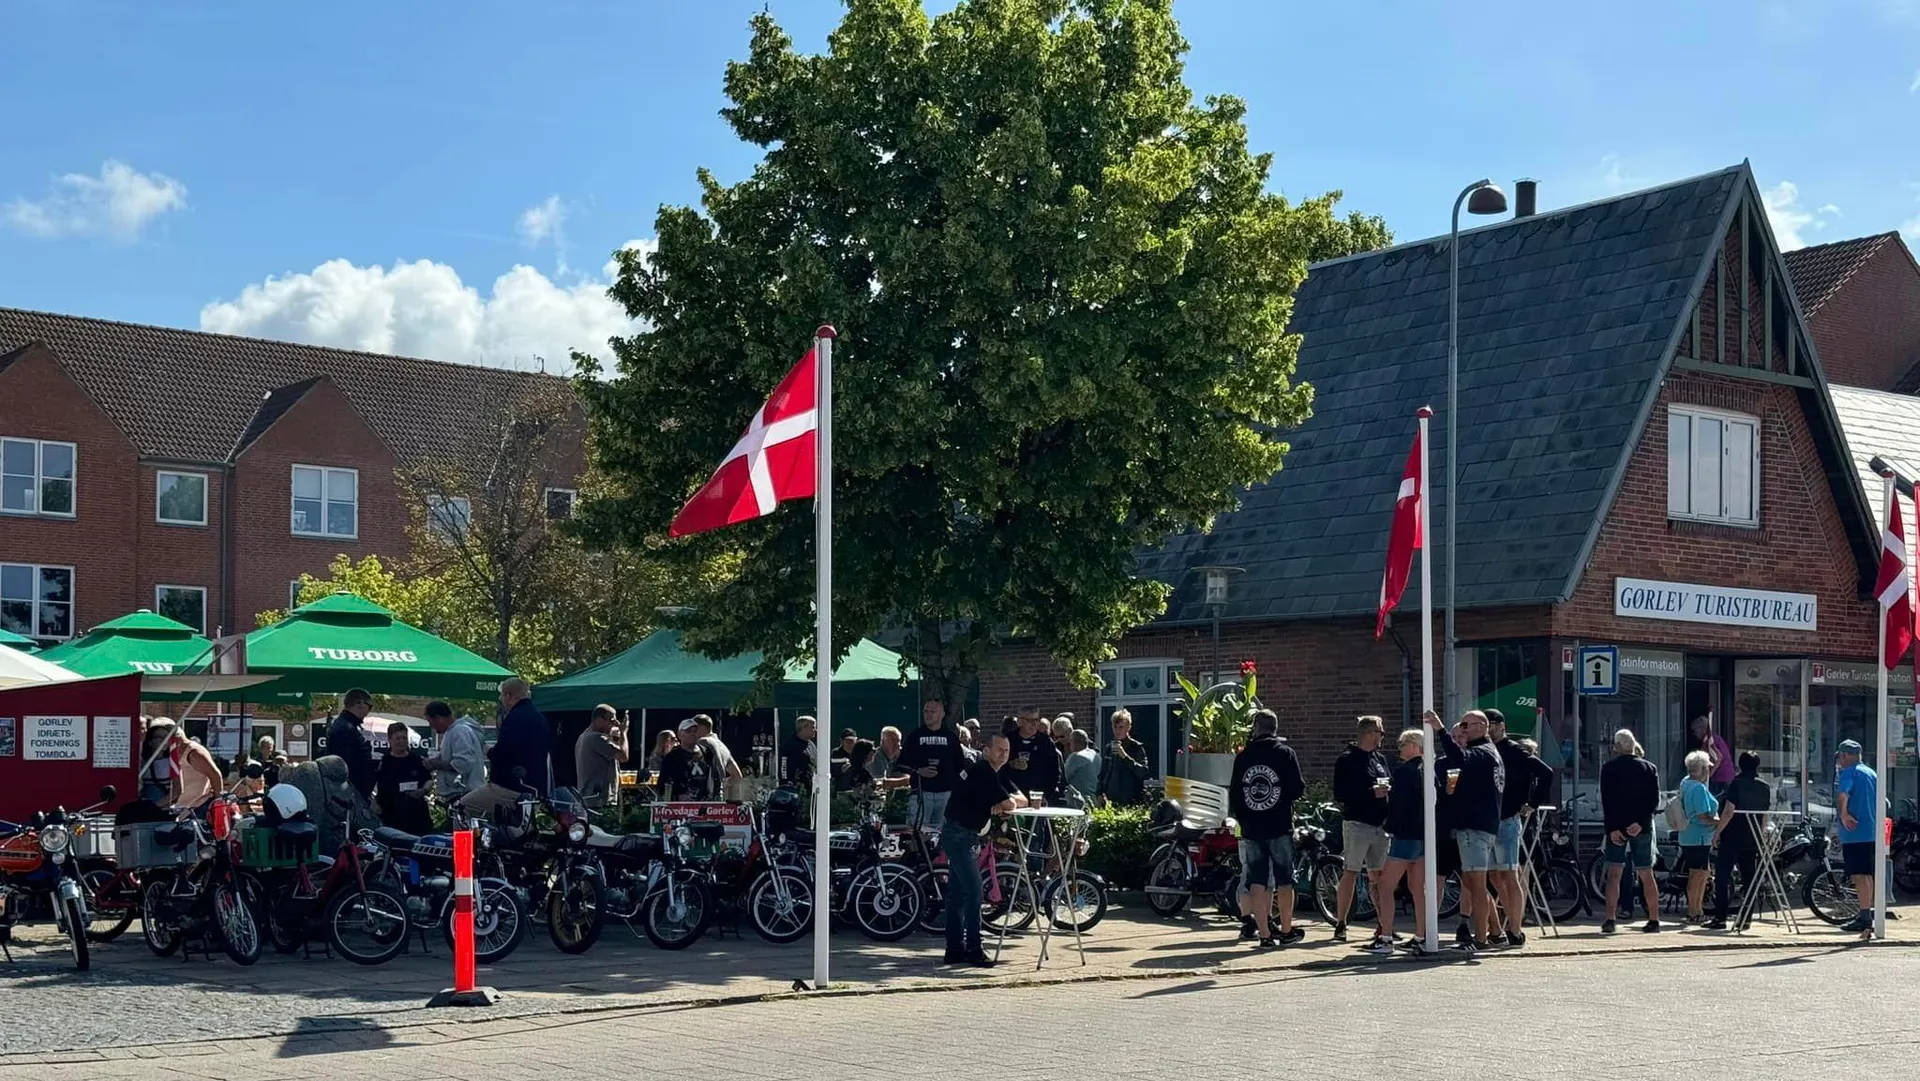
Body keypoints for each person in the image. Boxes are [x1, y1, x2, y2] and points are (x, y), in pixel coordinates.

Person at [940, 732, 1023, 967]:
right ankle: (974, 949)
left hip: (963, 834)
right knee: (974, 892)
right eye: (999, 749)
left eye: (1007, 750)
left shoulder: (995, 773)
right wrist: (1003, 803)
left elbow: (1022, 799)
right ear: (986, 750)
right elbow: (1010, 803)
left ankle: (954, 949)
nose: (1004, 754)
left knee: (958, 893)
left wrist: (1003, 803)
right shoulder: (983, 770)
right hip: (959, 835)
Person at [1228, 708, 1306, 948]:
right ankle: (1286, 930)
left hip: (1252, 828)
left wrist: (1244, 818)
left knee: (1257, 880)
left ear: (1255, 728)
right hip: (1279, 825)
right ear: (1275, 729)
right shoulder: (1285, 754)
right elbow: (1298, 789)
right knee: (1285, 880)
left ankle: (1264, 934)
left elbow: (1235, 794)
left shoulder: (1243, 757)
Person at [1435, 709, 1503, 951]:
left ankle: (1480, 939)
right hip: (1482, 826)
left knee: (1476, 886)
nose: (1462, 730)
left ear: (1482, 727)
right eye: (1461, 725)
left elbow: (1459, 757)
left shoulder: (1482, 752)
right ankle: (1496, 932)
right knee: (1476, 884)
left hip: (1475, 827)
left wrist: (1440, 730)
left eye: (1466, 725)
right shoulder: (1489, 752)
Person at [1331, 715, 1393, 946]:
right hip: (1357, 823)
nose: (1382, 737)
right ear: (1369, 733)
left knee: (1378, 875)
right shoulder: (1347, 759)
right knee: (1351, 870)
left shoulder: (1380, 759)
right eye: (1380, 732)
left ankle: (1383, 924)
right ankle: (1341, 922)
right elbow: (1340, 793)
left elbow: (1389, 782)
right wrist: (1369, 792)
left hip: (1380, 824)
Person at [1376, 726, 1436, 956]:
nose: (1399, 749)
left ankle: (1386, 938)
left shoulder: (1404, 773)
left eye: (1402, 744)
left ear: (1413, 746)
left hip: (1406, 835)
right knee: (1418, 888)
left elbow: (1400, 806)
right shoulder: (1429, 771)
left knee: (1385, 885)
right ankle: (1421, 934)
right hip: (1424, 835)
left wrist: (1389, 826)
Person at [459, 676, 552, 821]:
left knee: (462, 807)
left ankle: (470, 837)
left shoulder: (514, 718)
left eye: (501, 695)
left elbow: (503, 754)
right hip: (535, 788)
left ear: (508, 695)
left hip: (509, 788)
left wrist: (489, 751)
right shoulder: (540, 718)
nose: (501, 699)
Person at [1599, 728, 1662, 934]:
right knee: (1646, 872)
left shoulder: (1609, 769)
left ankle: (1610, 919)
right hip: (1641, 827)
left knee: (1614, 873)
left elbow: (1608, 801)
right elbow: (1654, 800)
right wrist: (1641, 823)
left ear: (1617, 747)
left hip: (1617, 827)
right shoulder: (1649, 768)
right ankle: (1654, 919)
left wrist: (1612, 828)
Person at [1485, 709, 1535, 948]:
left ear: (1502, 726)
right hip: (1488, 820)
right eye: (1486, 725)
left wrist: (1530, 803)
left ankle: (1516, 928)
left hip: (1507, 818)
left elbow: (1544, 773)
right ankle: (1508, 921)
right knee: (1493, 875)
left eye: (1492, 724)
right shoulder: (1485, 750)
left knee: (1509, 874)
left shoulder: (1514, 750)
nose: (1489, 729)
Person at [1707, 751, 1770, 930]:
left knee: (1722, 876)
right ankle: (1746, 918)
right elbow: (1764, 814)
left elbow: (1728, 811)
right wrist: (1762, 833)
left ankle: (1720, 917)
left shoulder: (1736, 783)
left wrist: (1717, 832)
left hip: (1732, 836)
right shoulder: (1764, 786)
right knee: (1749, 878)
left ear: (1740, 765)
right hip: (1752, 836)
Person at [1834, 739, 1880, 935]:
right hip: (1872, 830)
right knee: (1867, 874)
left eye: (1840, 757)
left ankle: (1864, 917)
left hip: (1855, 832)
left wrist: (1844, 815)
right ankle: (1867, 914)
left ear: (1845, 755)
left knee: (1859, 875)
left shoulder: (1849, 772)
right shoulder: (1872, 773)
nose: (1839, 761)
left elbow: (1843, 795)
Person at [897, 700, 963, 828]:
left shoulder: (950, 737)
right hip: (922, 793)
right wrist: (918, 771)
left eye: (932, 711)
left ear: (942, 714)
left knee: (943, 832)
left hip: (945, 794)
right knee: (918, 831)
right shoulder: (915, 736)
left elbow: (960, 765)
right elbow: (902, 764)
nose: (928, 715)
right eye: (926, 711)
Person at [1676, 749, 1720, 925]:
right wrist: (1720, 821)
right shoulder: (1699, 788)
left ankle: (1696, 910)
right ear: (1702, 769)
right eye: (1707, 767)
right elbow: (1703, 816)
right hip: (1699, 837)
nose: (1709, 770)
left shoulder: (1685, 783)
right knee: (1698, 875)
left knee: (1699, 873)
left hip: (1687, 836)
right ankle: (1694, 911)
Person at [375, 721, 434, 834]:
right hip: (391, 817)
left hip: (417, 816)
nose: (402, 741)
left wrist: (423, 790)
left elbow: (428, 780)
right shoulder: (383, 762)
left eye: (404, 738)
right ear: (390, 740)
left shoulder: (416, 760)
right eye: (398, 738)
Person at [421, 701, 486, 804]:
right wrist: (434, 761)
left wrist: (436, 764)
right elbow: (449, 758)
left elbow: (462, 764)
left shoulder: (459, 731)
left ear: (438, 718)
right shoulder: (452, 732)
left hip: (464, 795)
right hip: (461, 794)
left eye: (430, 721)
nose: (431, 726)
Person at [574, 704, 629, 809]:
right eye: (612, 721)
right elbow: (623, 756)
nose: (615, 724)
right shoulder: (597, 738)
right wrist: (624, 732)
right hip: (599, 801)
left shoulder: (584, 736)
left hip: (589, 797)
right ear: (599, 720)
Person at [327, 687, 377, 799]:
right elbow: (346, 764)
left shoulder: (346, 725)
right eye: (369, 706)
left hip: (350, 790)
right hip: (350, 793)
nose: (369, 711)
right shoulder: (345, 728)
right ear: (359, 703)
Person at [166, 725, 224, 813]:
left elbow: (215, 775)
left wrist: (219, 805)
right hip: (181, 808)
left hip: (199, 806)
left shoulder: (194, 752)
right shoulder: (171, 754)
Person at [1009, 709, 1062, 802]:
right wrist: (1011, 764)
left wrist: (1047, 795)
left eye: (1036, 720)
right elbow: (998, 768)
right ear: (1020, 722)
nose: (1034, 724)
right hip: (1014, 797)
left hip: (1039, 797)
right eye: (1029, 720)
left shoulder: (1045, 742)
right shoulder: (1009, 740)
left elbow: (1055, 772)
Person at [1100, 708, 1150, 806]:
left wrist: (1125, 756)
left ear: (1128, 727)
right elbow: (1103, 773)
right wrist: (1099, 792)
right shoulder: (1109, 748)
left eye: (1121, 727)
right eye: (1115, 727)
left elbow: (1143, 772)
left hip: (1131, 800)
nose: (1117, 731)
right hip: (1111, 800)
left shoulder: (1136, 747)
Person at [660, 719, 719, 800]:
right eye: (688, 731)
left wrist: (713, 795)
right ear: (679, 734)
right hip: (682, 805)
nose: (692, 734)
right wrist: (677, 797)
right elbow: (662, 785)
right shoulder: (671, 757)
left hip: (705, 803)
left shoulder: (708, 754)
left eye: (695, 731)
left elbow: (715, 778)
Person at [692, 715, 743, 799]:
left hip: (705, 796)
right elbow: (737, 775)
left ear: (701, 727)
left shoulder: (703, 742)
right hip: (718, 795)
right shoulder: (723, 747)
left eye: (693, 728)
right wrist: (723, 784)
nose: (692, 732)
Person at [1692, 716, 1735, 797]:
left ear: (1702, 729)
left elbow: (1719, 757)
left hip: (1721, 779)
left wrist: (1707, 776)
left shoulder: (1710, 740)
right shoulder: (1714, 738)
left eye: (1695, 730)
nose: (1694, 734)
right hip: (1725, 777)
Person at [138, 717, 177, 804]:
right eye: (159, 737)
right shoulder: (142, 763)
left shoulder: (172, 763)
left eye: (166, 737)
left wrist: (157, 806)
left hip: (161, 807)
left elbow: (177, 790)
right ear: (150, 742)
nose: (164, 741)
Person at [1063, 728, 1100, 804]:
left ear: (1075, 743)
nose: (1069, 746)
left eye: (1070, 743)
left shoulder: (1075, 757)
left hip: (1079, 802)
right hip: (1095, 801)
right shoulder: (1096, 756)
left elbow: (1064, 778)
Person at [781, 715, 817, 791]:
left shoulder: (811, 745)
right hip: (795, 788)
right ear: (803, 728)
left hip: (811, 787)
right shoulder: (789, 745)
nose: (815, 730)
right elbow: (783, 766)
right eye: (813, 727)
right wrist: (786, 783)